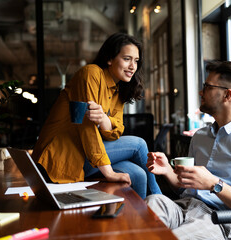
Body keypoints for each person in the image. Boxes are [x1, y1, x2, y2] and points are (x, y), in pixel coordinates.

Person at [145, 61, 231, 240]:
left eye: (207, 86)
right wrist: (168, 171)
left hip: (219, 221)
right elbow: (187, 188)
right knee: (151, 204)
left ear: (227, 95)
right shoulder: (200, 136)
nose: (201, 92)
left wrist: (214, 184)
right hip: (184, 207)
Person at [32, 32, 161, 199]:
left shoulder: (118, 90)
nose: (133, 66)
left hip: (87, 156)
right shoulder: (90, 74)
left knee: (137, 173)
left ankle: (140, 220)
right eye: (127, 59)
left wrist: (105, 121)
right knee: (139, 144)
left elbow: (116, 131)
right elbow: (87, 129)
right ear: (109, 59)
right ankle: (161, 201)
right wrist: (109, 173)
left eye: (136, 61)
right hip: (61, 157)